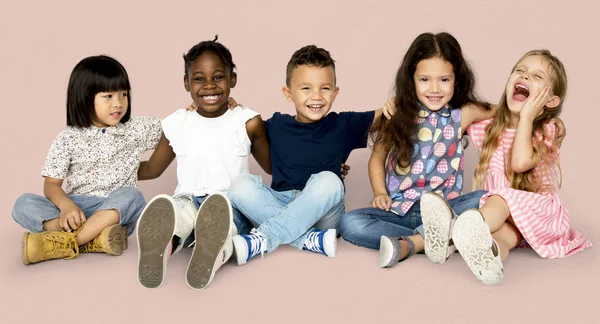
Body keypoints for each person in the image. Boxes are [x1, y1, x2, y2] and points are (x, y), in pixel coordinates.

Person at [426, 49, 592, 285]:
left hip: (541, 215)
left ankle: (451, 233)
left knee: (499, 198)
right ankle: (490, 261)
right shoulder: (489, 127)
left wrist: (526, 117)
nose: (525, 77)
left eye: (537, 77)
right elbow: (455, 117)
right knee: (499, 238)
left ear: (551, 101)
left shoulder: (546, 130)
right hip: (510, 222)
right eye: (520, 71)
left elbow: (520, 163)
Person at [338, 32, 494, 267]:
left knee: (489, 199)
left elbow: (505, 111)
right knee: (350, 223)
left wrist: (549, 119)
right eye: (424, 80)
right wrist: (380, 192)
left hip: (444, 209)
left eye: (444, 80)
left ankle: (414, 243)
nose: (434, 88)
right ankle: (437, 239)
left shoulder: (463, 114)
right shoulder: (397, 114)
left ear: (457, 80)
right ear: (411, 79)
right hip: (397, 212)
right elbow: (376, 158)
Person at [227, 45, 392, 265]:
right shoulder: (276, 125)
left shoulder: (343, 124)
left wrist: (395, 103)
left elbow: (388, 114)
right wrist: (225, 107)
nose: (316, 96)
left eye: (324, 88)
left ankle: (264, 238)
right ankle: (309, 240)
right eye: (306, 88)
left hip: (325, 214)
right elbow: (240, 126)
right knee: (239, 185)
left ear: (335, 93)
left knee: (330, 181)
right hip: (281, 203)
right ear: (288, 94)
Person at [135, 37, 270, 290]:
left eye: (218, 77)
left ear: (233, 80)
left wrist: (319, 164)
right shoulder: (177, 122)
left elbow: (274, 167)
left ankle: (213, 248)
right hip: (188, 197)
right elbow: (152, 169)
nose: (209, 86)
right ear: (186, 83)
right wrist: (108, 172)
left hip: (229, 203)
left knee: (228, 223)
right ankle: (167, 242)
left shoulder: (247, 121)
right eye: (199, 79)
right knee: (180, 212)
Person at [13, 55, 161, 265]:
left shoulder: (136, 129)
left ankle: (69, 242)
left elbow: (174, 129)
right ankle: (96, 239)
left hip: (112, 209)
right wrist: (66, 207)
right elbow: (52, 185)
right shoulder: (68, 138)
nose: (118, 103)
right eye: (108, 96)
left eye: (124, 94)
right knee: (23, 204)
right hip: (75, 209)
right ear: (84, 97)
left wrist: (191, 112)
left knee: (133, 195)